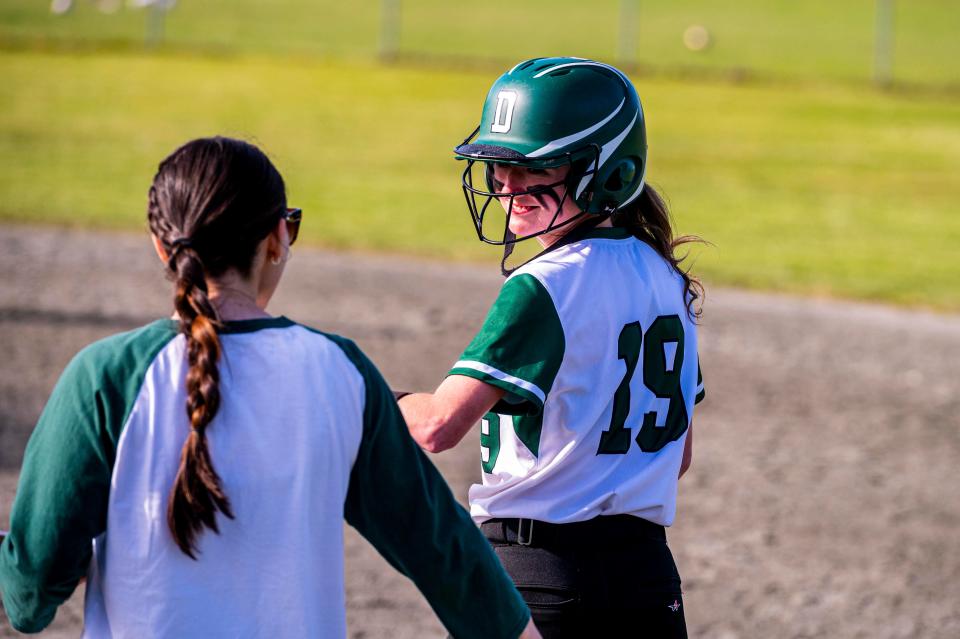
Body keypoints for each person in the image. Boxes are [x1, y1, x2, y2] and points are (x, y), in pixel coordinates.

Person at [0, 137, 540, 639]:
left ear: (161, 247)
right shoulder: (339, 373)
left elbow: (30, 596)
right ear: (278, 239)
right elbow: (445, 554)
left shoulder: (105, 375)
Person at [398, 57, 706, 637]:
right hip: (647, 578)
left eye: (536, 166)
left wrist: (365, 391)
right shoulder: (666, 279)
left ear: (607, 171)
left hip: (540, 580)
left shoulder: (544, 285)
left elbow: (438, 426)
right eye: (501, 167)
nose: (508, 186)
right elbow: (678, 455)